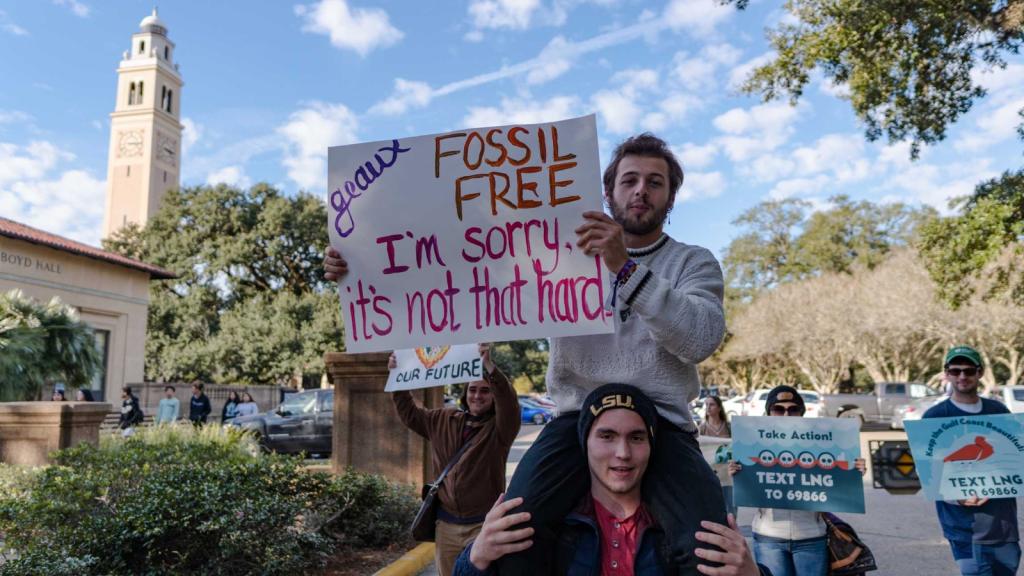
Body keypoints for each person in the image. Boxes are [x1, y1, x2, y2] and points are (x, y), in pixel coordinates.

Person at [324, 133, 728, 574]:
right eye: (629, 180)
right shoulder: (552, 251)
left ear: (671, 196)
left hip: (664, 424)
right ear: (608, 191)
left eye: (655, 182)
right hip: (575, 420)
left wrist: (624, 267)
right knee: (513, 535)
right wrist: (362, 267)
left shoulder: (694, 262)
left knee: (709, 548)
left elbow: (700, 338)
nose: (641, 191)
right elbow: (450, 269)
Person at [453, 384, 769, 576]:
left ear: (652, 446)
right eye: (606, 436)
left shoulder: (675, 528)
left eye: (636, 438)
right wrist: (476, 557)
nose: (623, 453)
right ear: (584, 443)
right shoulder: (557, 525)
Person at [388, 344, 520, 576]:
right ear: (465, 394)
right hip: (446, 526)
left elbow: (508, 403)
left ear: (493, 396)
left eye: (485, 391)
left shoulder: (501, 429)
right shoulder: (442, 419)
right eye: (472, 390)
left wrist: (489, 366)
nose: (477, 396)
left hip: (483, 525)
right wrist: (397, 376)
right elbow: (410, 414)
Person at [729, 385, 866, 576]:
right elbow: (751, 490)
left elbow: (835, 484)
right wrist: (737, 473)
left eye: (793, 409)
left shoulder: (823, 442)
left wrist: (854, 471)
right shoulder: (753, 443)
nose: (786, 414)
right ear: (768, 412)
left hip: (811, 536)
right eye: (779, 409)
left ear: (801, 412)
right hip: (769, 537)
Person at [924, 346, 1020, 576]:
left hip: (1003, 526)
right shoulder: (934, 417)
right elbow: (928, 474)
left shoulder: (999, 411)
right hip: (964, 529)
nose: (962, 376)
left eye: (968, 371)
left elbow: (1013, 461)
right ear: (946, 374)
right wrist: (956, 496)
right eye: (955, 371)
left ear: (980, 373)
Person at [699, 396, 735, 518]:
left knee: (731, 510)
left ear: (719, 408)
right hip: (710, 475)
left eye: (712, 404)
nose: (708, 408)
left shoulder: (729, 427)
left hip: (729, 476)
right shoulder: (702, 429)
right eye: (706, 405)